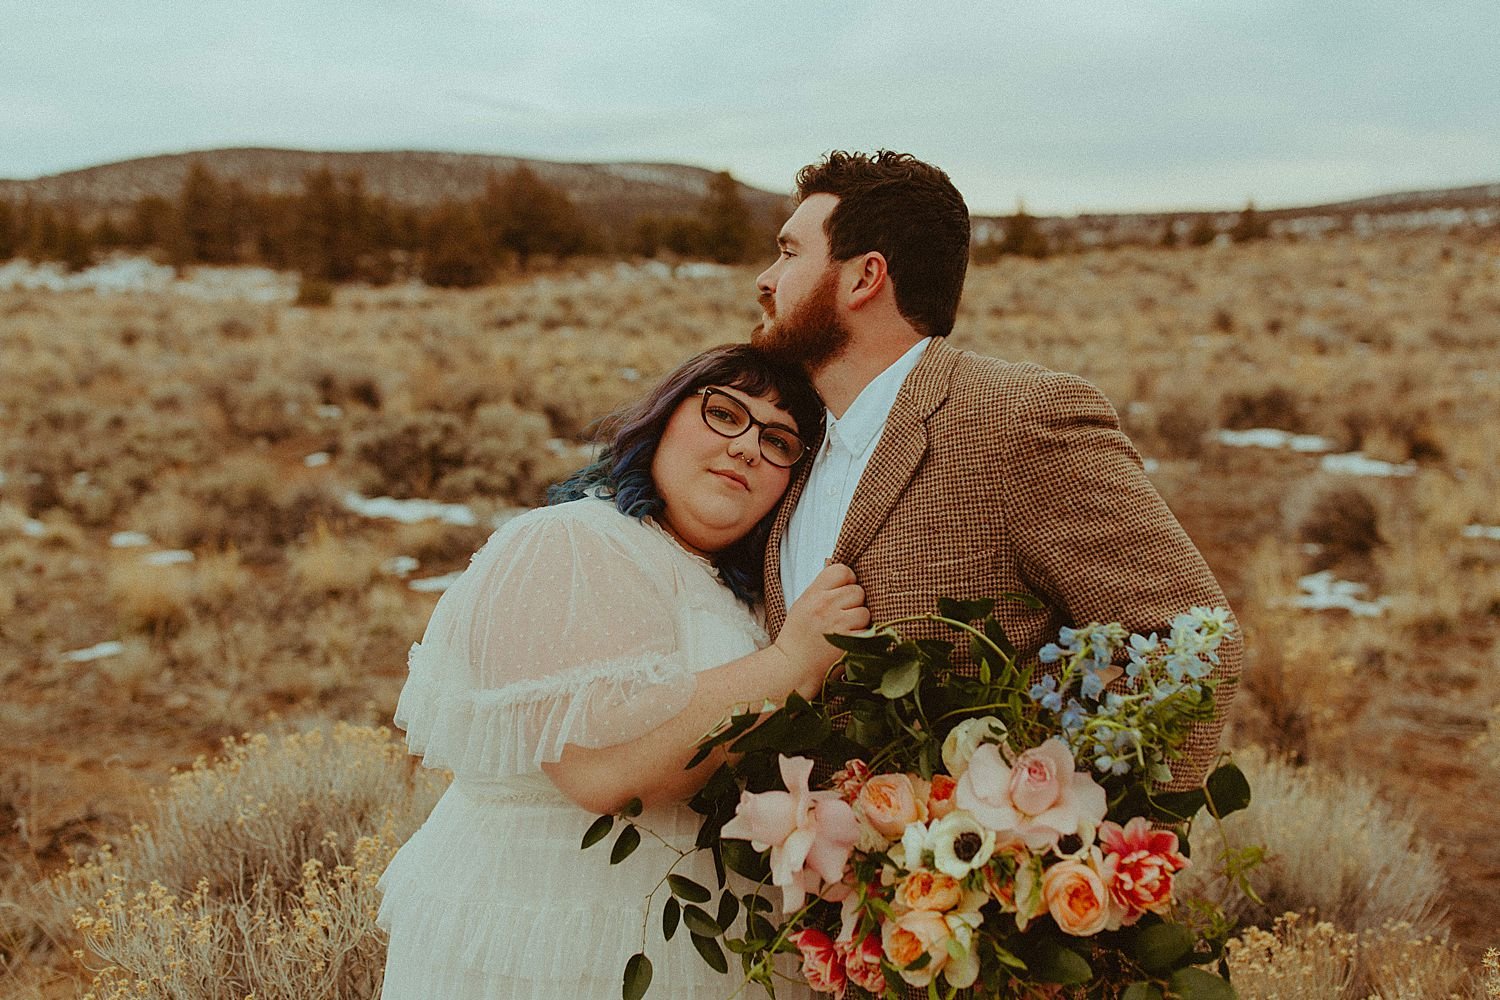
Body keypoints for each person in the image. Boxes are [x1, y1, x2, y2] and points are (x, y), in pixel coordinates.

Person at [377, 344, 869, 1000]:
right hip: (550, 941)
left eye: (779, 441)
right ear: (664, 419)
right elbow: (601, 771)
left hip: (707, 941)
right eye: (725, 413)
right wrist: (791, 663)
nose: (749, 447)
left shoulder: (747, 596)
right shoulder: (570, 543)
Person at [754, 150, 1242, 794]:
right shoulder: (790, 442)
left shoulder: (1020, 419)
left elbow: (1196, 652)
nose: (766, 278)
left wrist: (1038, 837)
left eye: (789, 254)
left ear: (864, 277)